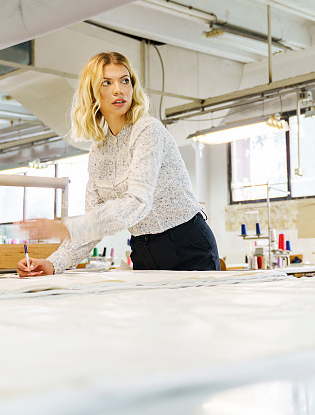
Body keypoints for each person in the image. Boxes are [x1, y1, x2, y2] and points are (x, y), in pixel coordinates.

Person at [17, 52, 219, 276]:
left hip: (188, 246)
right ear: (93, 93)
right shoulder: (98, 151)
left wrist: (66, 226)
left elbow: (138, 202)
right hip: (143, 250)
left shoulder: (147, 129)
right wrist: (54, 263)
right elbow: (93, 226)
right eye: (107, 82)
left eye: (125, 80)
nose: (118, 89)